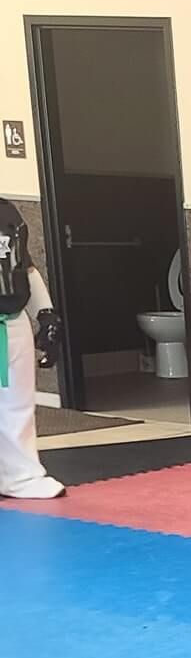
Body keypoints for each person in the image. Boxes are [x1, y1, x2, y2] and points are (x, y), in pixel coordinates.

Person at [0, 197, 65, 501]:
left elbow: (24, 266)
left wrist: (46, 313)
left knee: (18, 403)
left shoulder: (6, 211)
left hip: (13, 318)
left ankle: (21, 476)